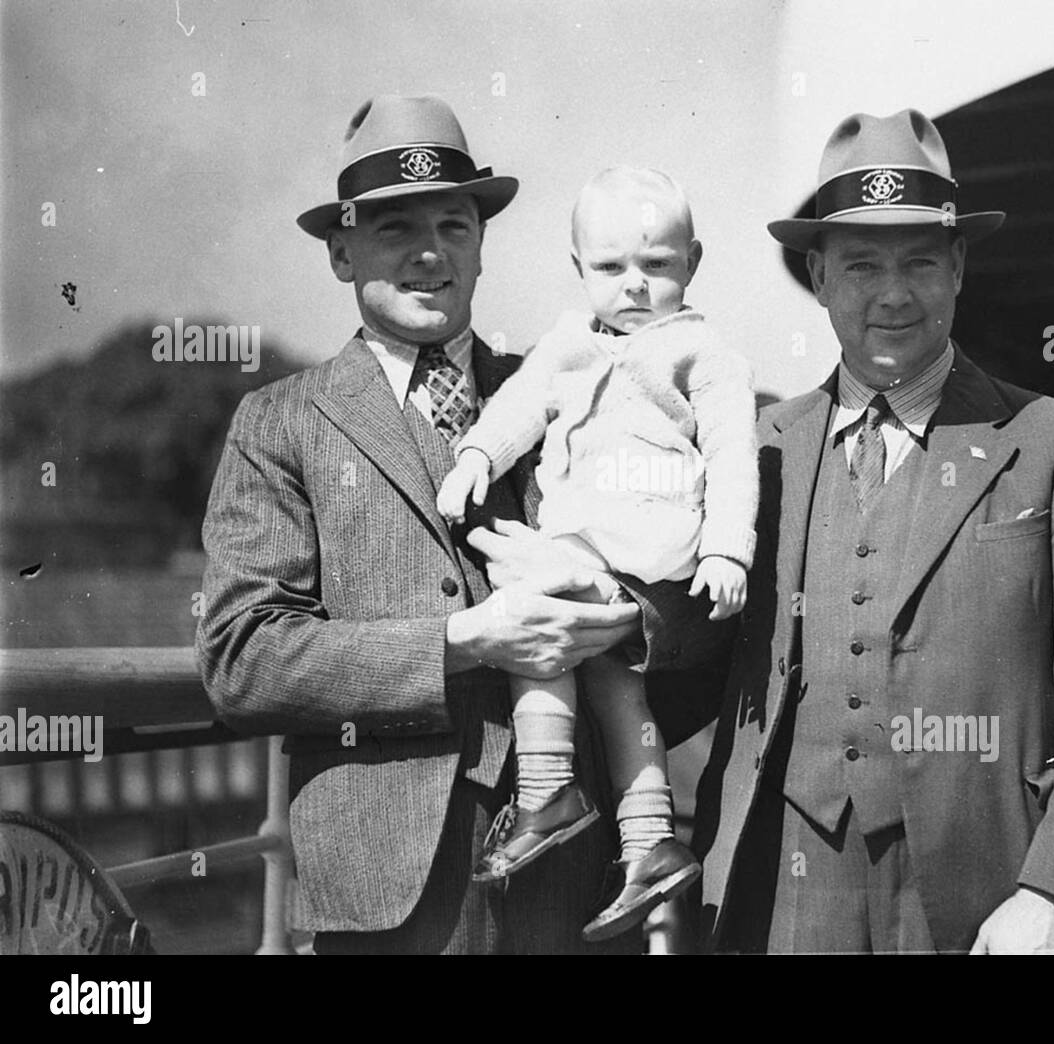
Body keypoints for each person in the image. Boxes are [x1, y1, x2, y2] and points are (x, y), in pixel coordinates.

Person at [196, 94, 719, 954]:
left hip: (575, 890)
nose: (430, 251)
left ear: (481, 245)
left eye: (453, 224)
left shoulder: (576, 390)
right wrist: (465, 640)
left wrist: (626, 618)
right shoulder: (280, 422)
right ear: (340, 251)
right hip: (388, 897)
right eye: (395, 228)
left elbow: (703, 596)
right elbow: (241, 660)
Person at [684, 109, 1054, 953]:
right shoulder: (758, 450)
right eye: (861, 265)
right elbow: (685, 663)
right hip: (784, 895)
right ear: (819, 276)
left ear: (958, 269)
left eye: (919, 261)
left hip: (985, 900)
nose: (893, 294)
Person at [436, 166, 758, 941]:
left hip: (652, 551)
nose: (635, 284)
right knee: (616, 687)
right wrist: (478, 454)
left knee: (537, 619)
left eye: (658, 264)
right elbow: (520, 404)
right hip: (581, 544)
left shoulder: (704, 352)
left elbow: (733, 456)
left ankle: (548, 789)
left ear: (693, 262)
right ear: (578, 268)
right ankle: (648, 840)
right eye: (612, 267)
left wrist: (728, 552)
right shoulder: (568, 343)